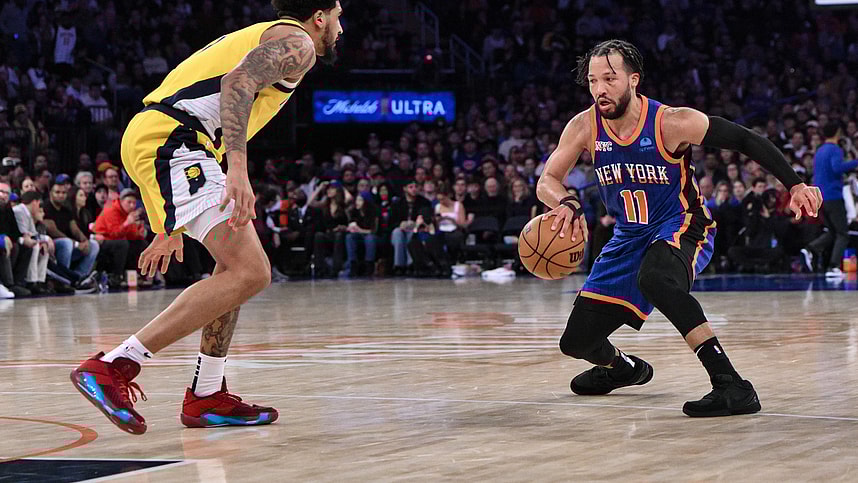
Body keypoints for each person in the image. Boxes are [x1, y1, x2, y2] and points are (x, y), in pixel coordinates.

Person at [69, 0, 344, 435]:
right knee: (252, 271)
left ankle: (206, 394)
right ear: (319, 17)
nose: (340, 28)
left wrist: (166, 225)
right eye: (338, 16)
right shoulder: (298, 43)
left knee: (231, 268)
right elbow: (237, 82)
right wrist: (238, 166)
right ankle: (115, 366)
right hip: (176, 142)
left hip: (170, 142)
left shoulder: (265, 35)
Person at [537, 40, 821, 417]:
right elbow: (548, 180)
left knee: (655, 279)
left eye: (610, 78)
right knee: (575, 342)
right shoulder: (584, 126)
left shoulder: (670, 121)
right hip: (629, 235)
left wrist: (795, 184)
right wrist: (567, 201)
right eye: (592, 81)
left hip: (682, 223)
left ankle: (731, 385)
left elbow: (744, 139)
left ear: (633, 79)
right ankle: (623, 369)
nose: (600, 89)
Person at [801, 121, 857, 276]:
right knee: (843, 234)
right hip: (833, 196)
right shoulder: (835, 150)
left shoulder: (819, 151)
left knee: (833, 231)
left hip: (820, 198)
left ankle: (810, 249)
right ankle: (833, 267)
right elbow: (837, 168)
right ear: (838, 132)